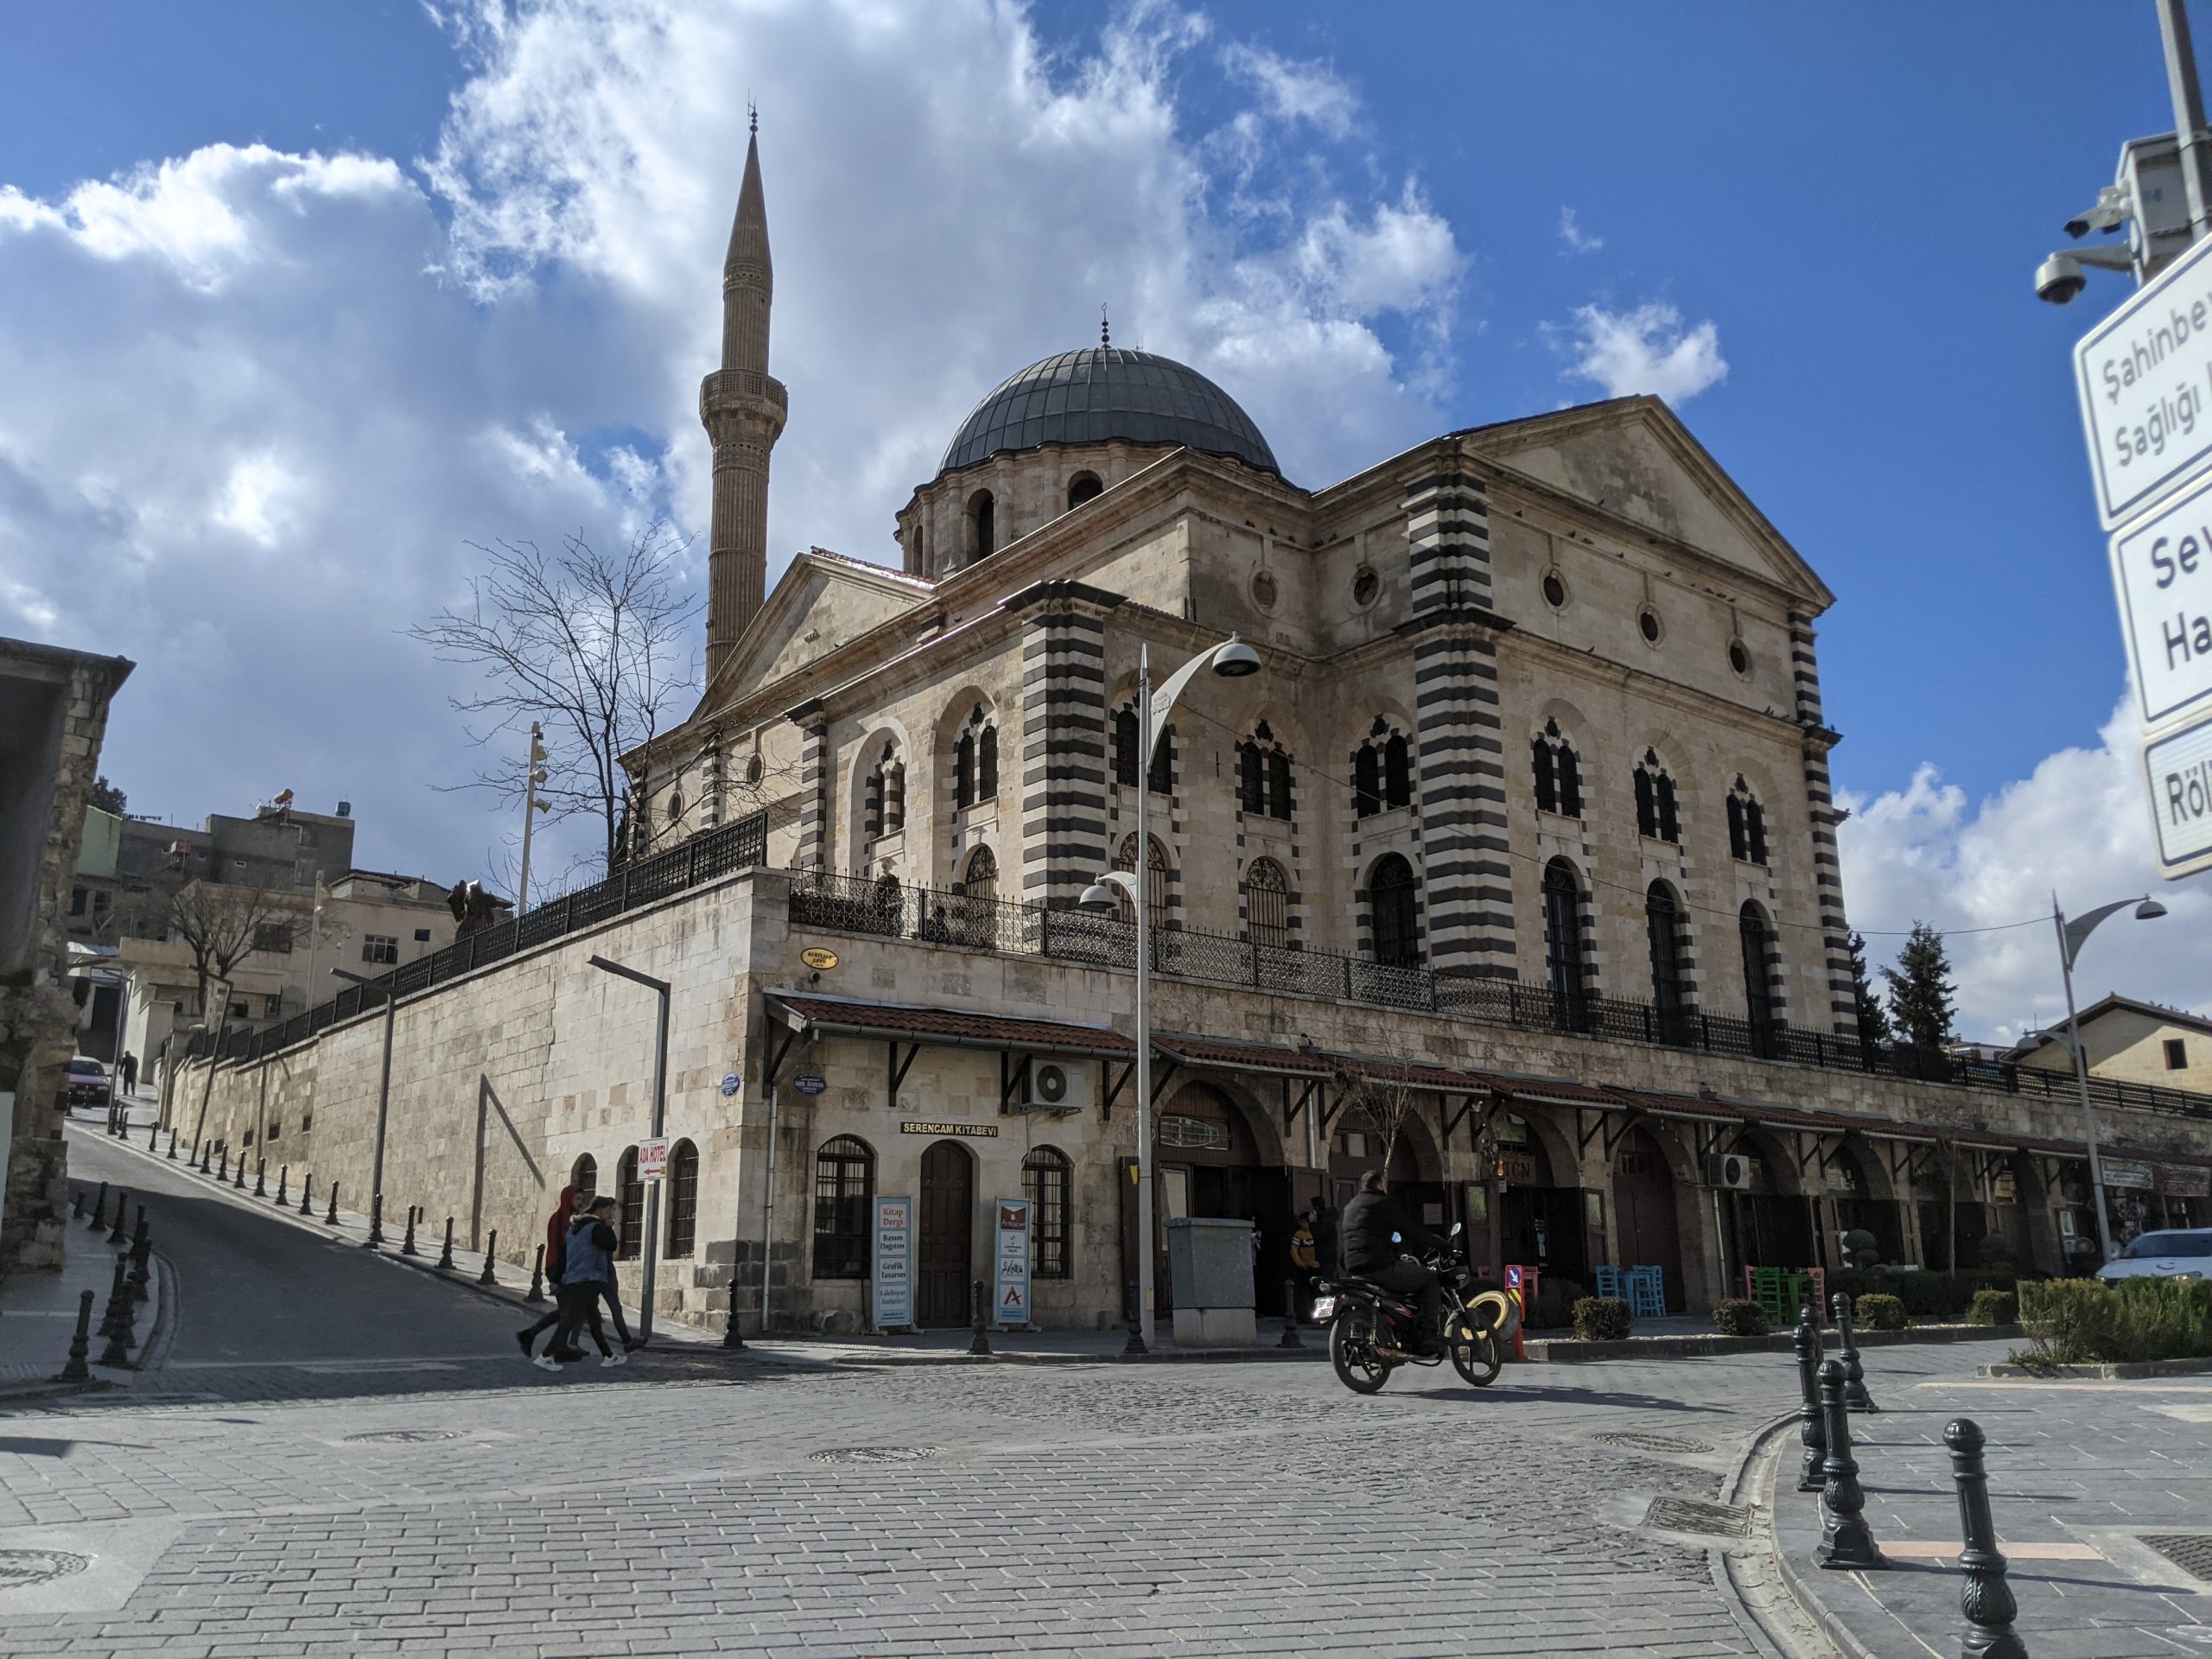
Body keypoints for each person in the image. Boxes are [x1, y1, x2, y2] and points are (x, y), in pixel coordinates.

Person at [1338, 1168, 1443, 1355]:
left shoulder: (1351, 1206)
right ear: (1381, 1185)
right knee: (1430, 1279)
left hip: (1354, 1268)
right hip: (1380, 1266)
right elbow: (1409, 1229)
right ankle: (1429, 1334)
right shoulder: (1381, 1203)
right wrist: (1441, 1244)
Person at [542, 1197, 627, 1371]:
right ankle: (545, 1356)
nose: (611, 1214)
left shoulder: (576, 1228)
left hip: (581, 1278)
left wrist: (558, 1277)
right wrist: (609, 1228)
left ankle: (609, 1356)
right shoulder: (595, 1228)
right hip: (587, 1278)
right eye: (609, 1211)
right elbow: (611, 1245)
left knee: (594, 1322)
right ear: (600, 1211)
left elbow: (565, 1253)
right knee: (570, 1319)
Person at [518, 1185, 580, 1361]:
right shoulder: (559, 1219)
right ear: (568, 1199)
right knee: (568, 1312)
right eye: (577, 1199)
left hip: (567, 1270)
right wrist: (558, 1276)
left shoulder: (573, 1219)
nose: (580, 1202)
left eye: (582, 1199)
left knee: (566, 1311)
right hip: (558, 1268)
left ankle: (533, 1336)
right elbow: (557, 1247)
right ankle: (549, 1347)